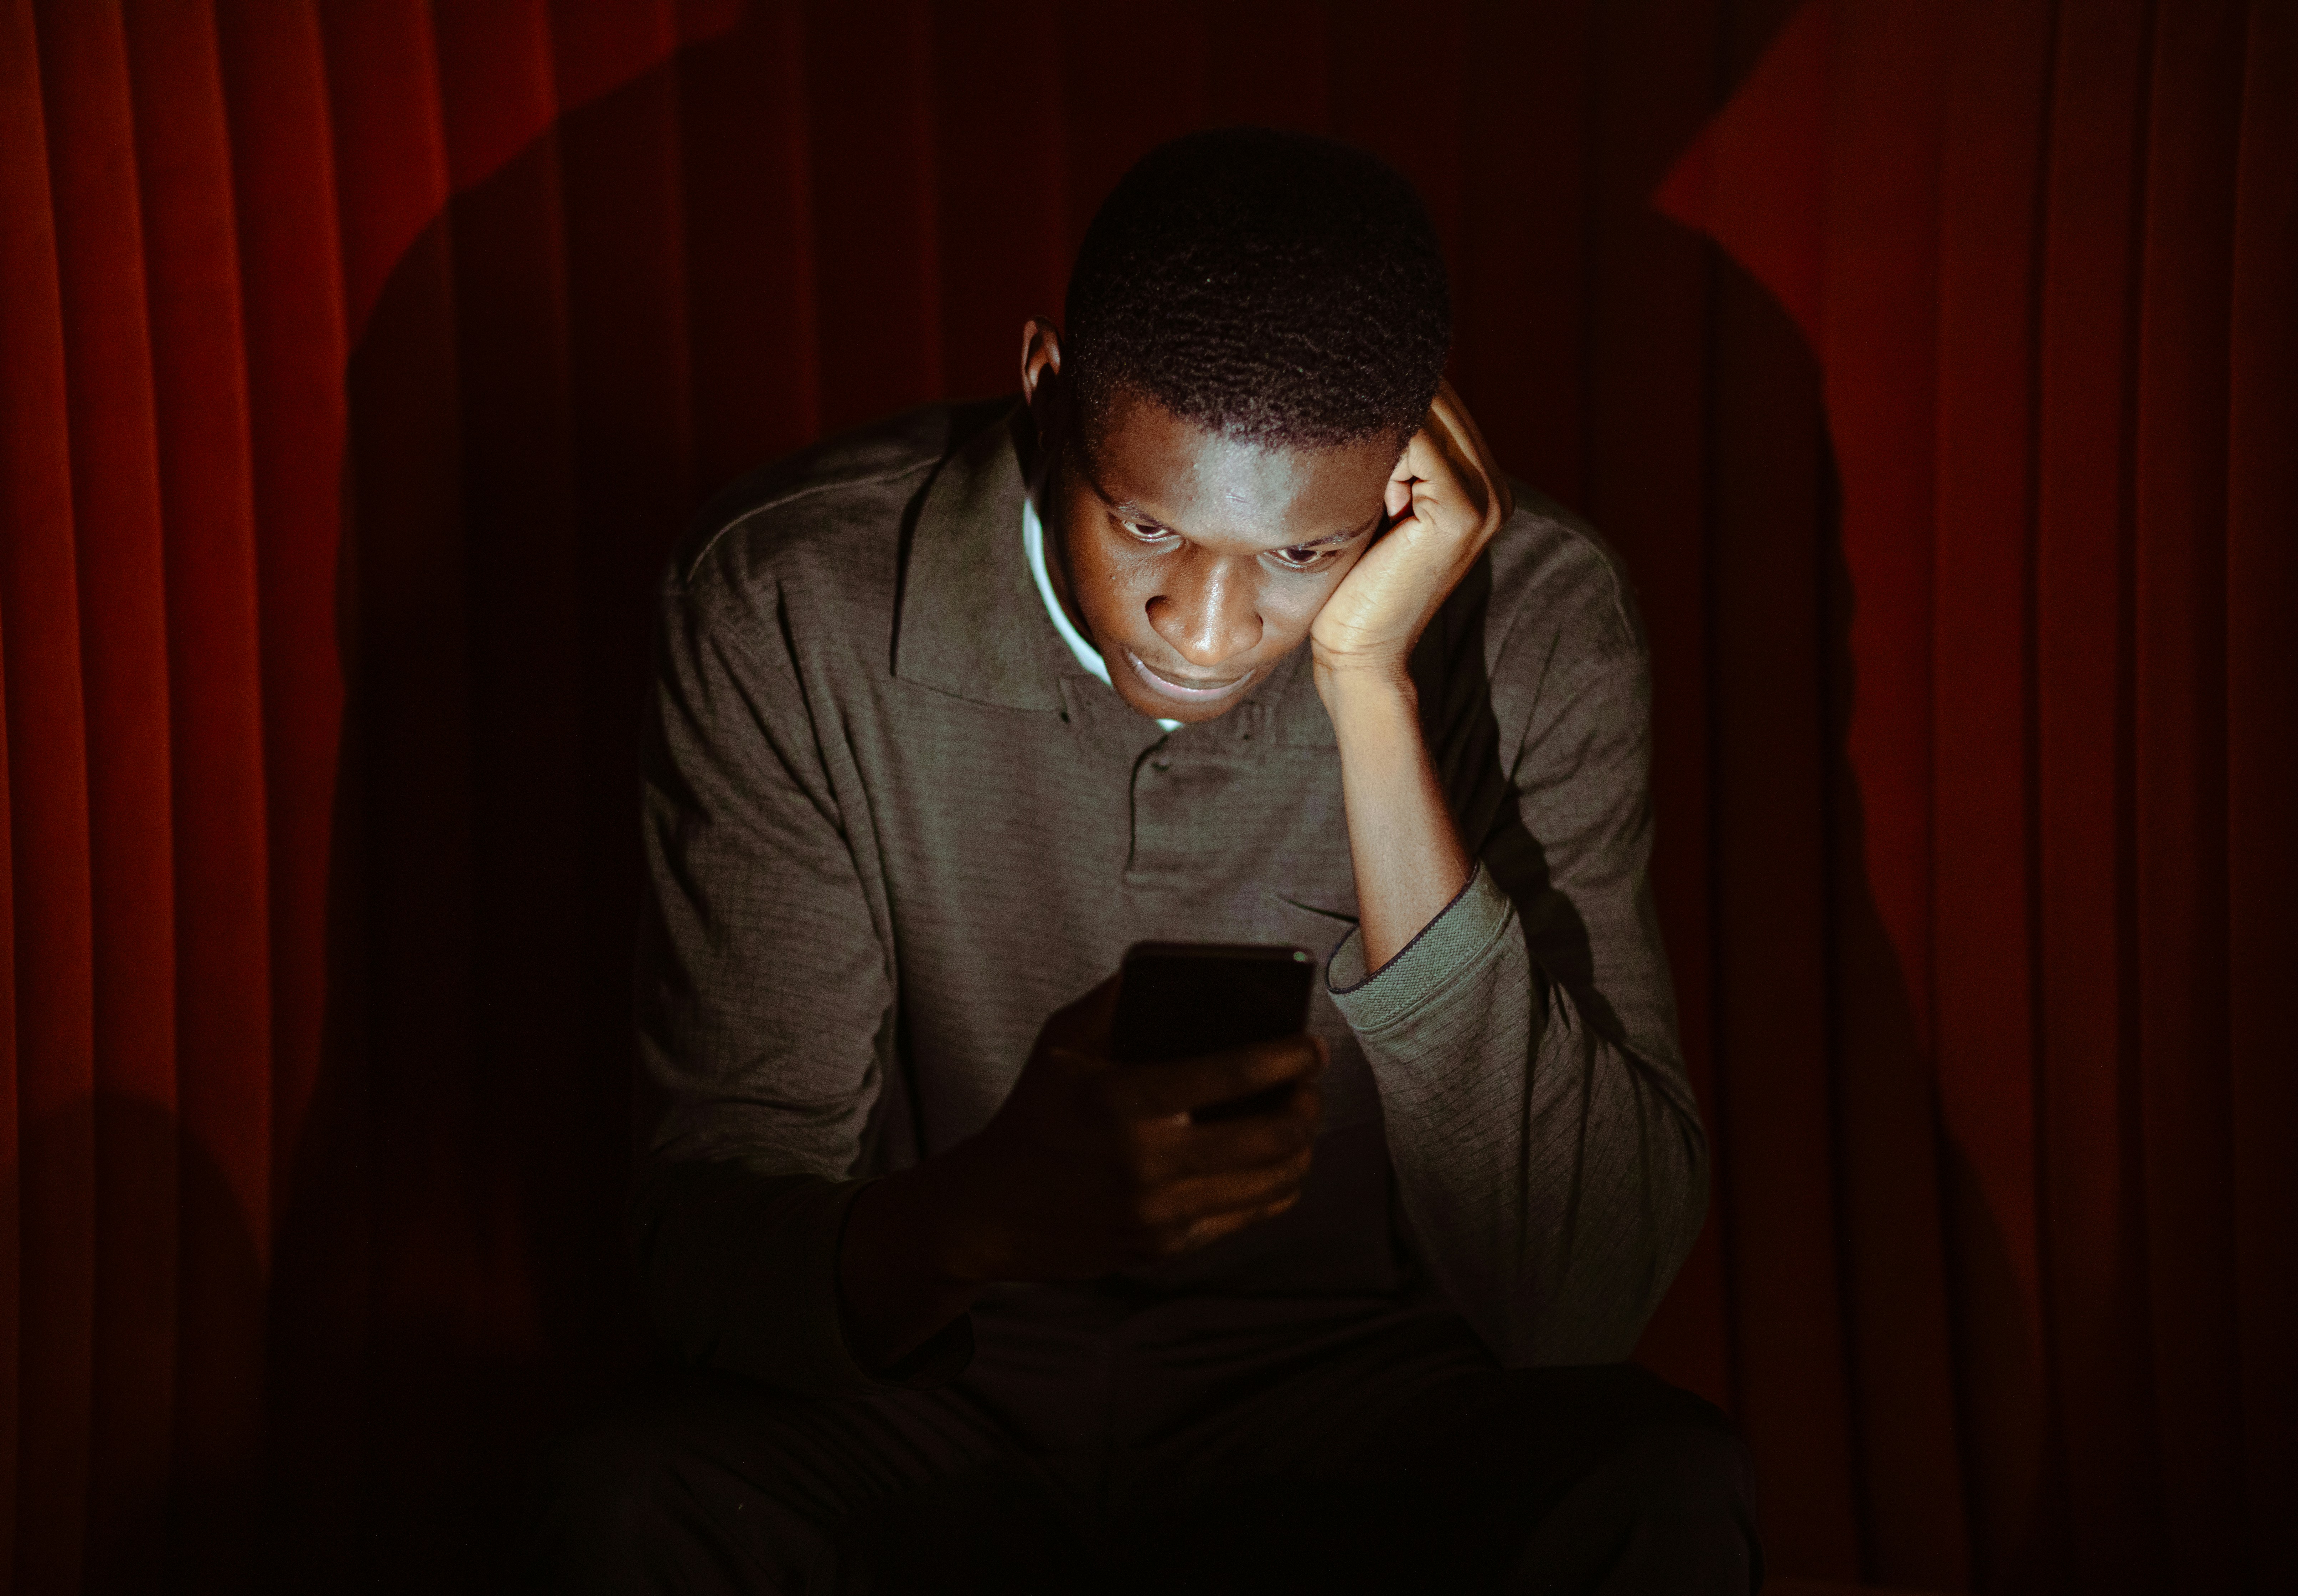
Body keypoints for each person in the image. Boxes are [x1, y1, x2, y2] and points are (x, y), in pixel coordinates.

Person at [541, 127, 1758, 1593]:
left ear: (1403, 477)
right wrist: (992, 1208)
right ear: (1049, 388)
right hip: (941, 1391)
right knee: (634, 1498)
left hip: (1355, 1411)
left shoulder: (1544, 623)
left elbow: (1582, 1291)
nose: (1202, 625)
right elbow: (711, 1246)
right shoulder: (795, 598)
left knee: (1660, 1492)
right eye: (1148, 525)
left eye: (1301, 558)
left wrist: (1373, 690)